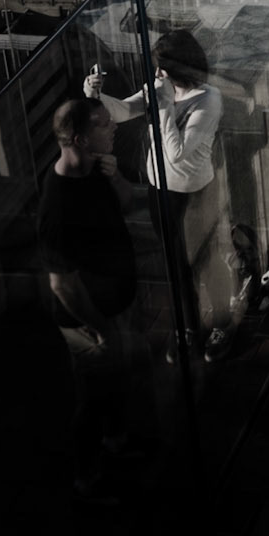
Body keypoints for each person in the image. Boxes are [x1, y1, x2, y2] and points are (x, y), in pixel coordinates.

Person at [85, 28, 222, 345]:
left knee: (205, 260)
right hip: (160, 189)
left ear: (178, 68)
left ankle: (222, 322)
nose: (157, 74)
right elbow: (123, 112)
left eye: (162, 68)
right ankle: (190, 327)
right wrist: (95, 95)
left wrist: (163, 105)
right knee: (175, 264)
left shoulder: (208, 100)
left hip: (194, 194)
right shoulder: (161, 89)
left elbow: (176, 152)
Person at [38, 97, 144, 497]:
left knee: (117, 381)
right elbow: (62, 285)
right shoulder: (57, 206)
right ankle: (87, 479)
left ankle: (116, 442)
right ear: (81, 139)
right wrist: (101, 330)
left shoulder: (97, 168)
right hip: (87, 321)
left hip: (116, 302)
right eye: (103, 124)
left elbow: (127, 203)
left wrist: (115, 177)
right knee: (93, 397)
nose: (114, 127)